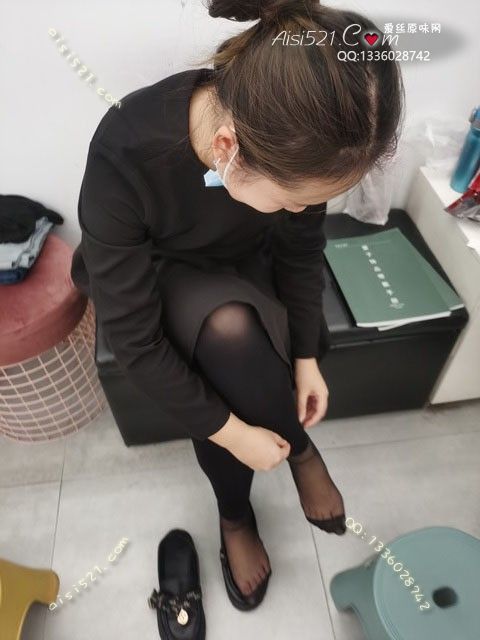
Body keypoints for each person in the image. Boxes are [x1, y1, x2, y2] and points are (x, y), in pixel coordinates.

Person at [70, 0, 405, 611]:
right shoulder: (126, 152)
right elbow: (137, 343)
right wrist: (234, 435)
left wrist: (306, 358)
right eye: (293, 200)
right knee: (225, 335)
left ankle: (279, 466)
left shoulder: (297, 141)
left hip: (242, 258)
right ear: (228, 147)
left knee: (238, 332)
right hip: (159, 271)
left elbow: (300, 251)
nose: (303, 211)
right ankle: (244, 504)